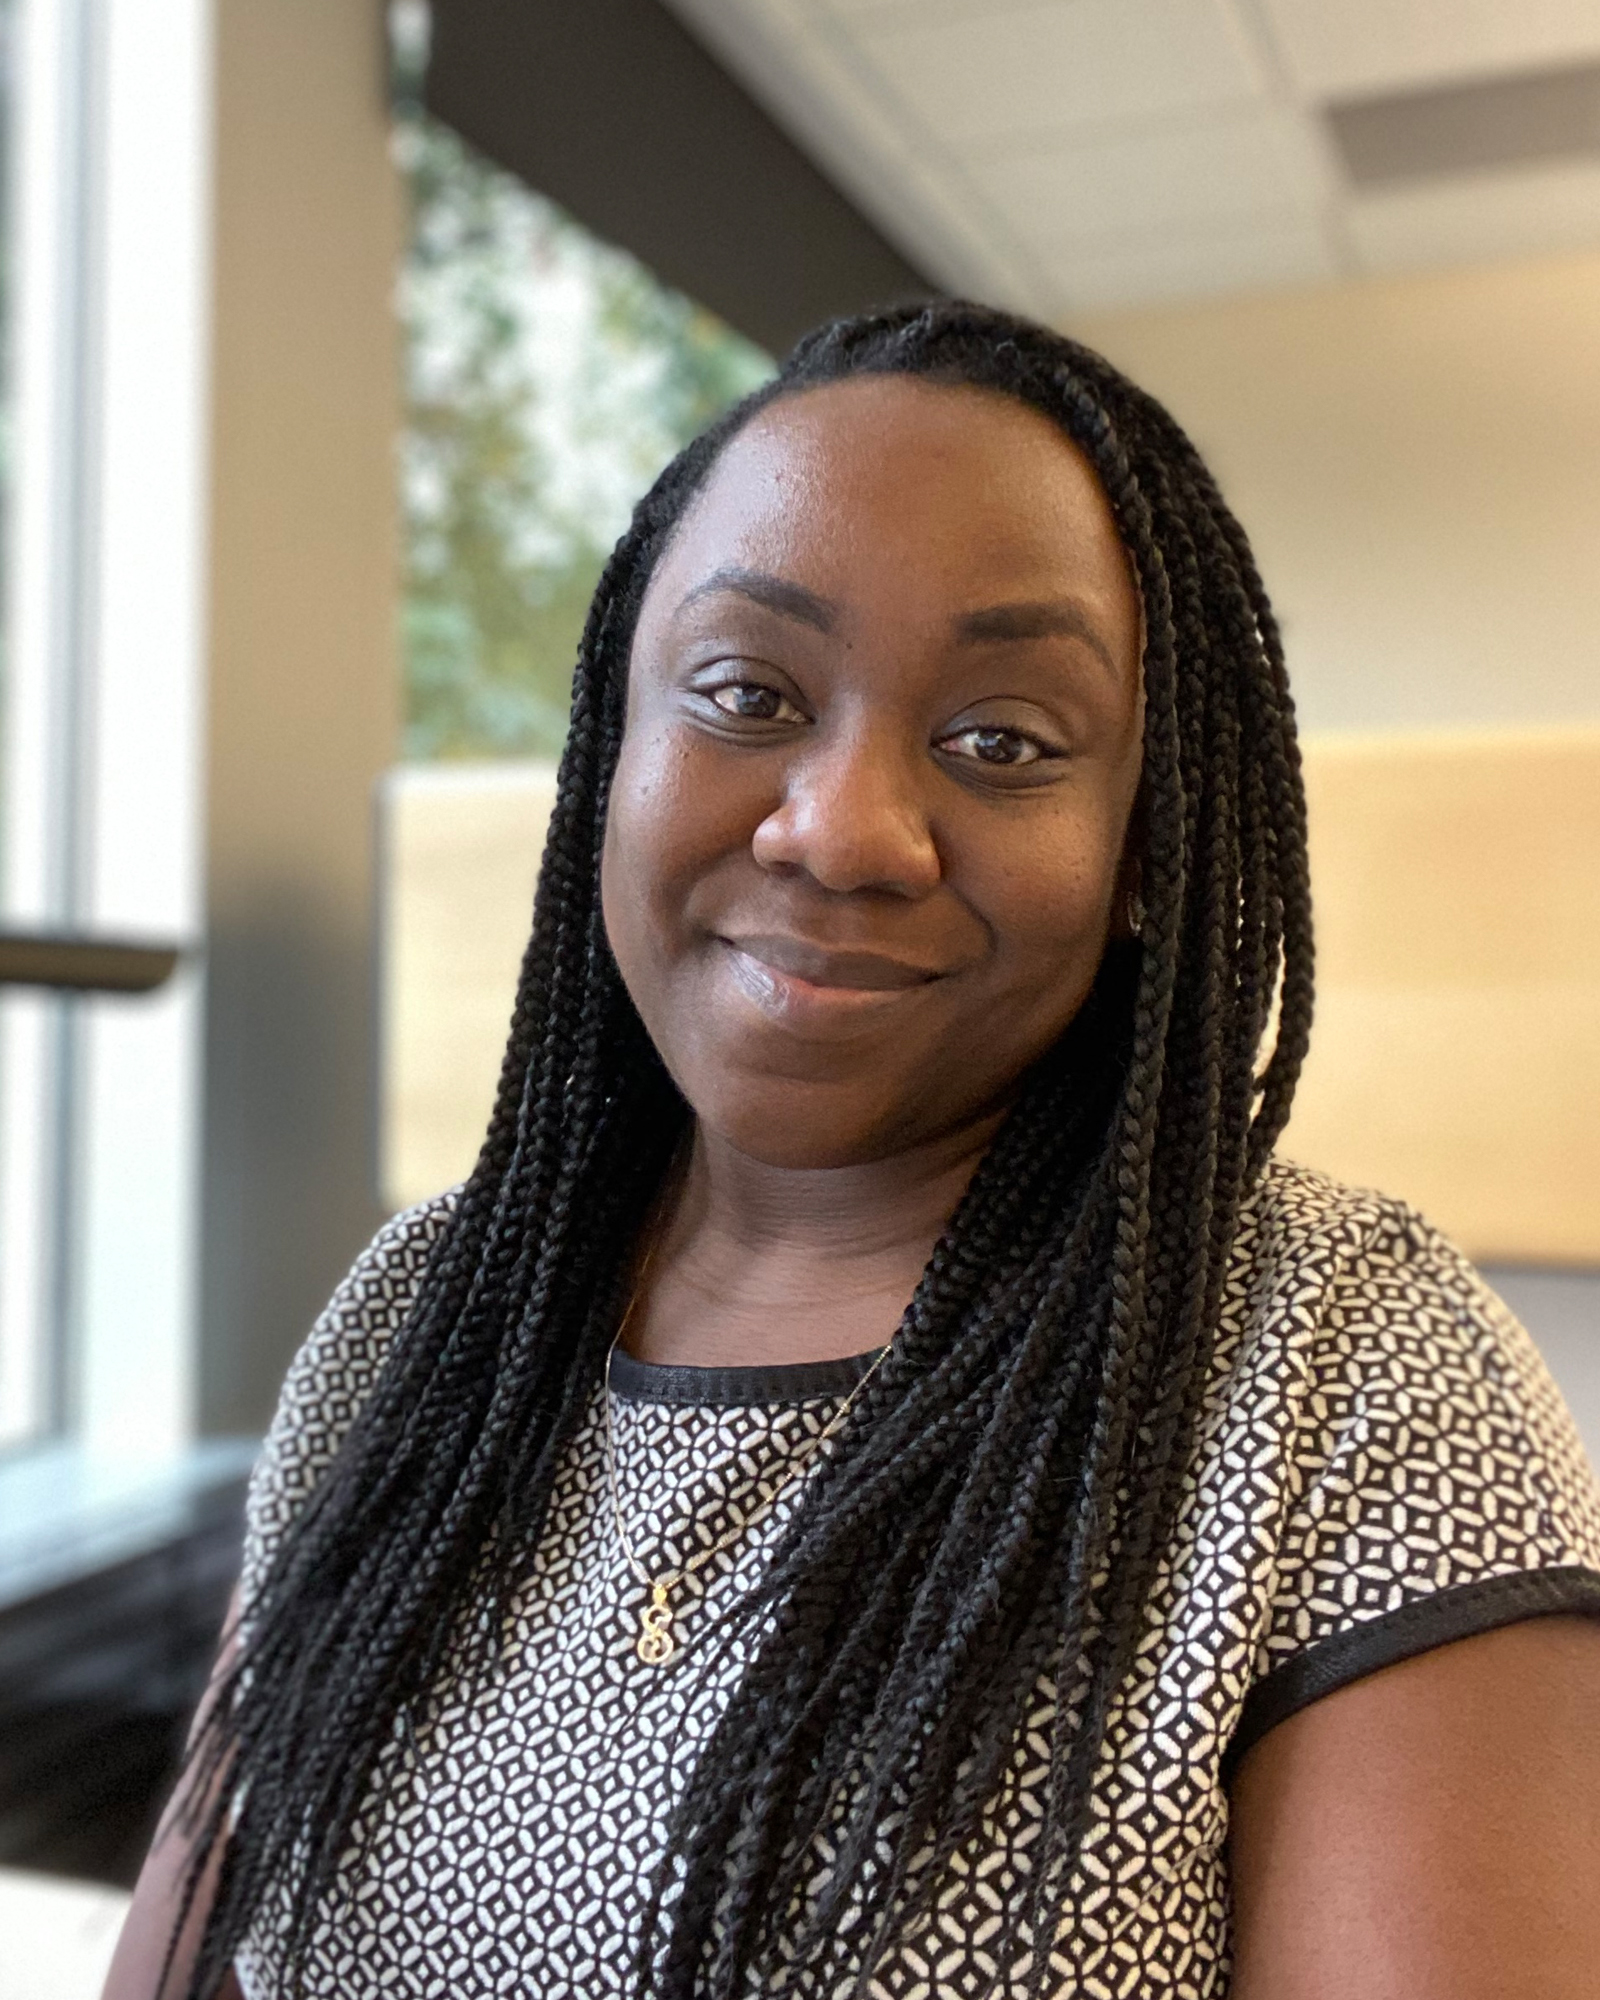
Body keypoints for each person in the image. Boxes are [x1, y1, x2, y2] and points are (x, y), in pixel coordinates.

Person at [105, 302, 1600, 2000]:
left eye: (1004, 742)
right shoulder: (423, 1312)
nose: (844, 832)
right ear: (616, 751)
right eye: (746, 692)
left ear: (1141, 854)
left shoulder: (1343, 1370)